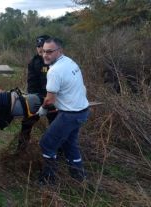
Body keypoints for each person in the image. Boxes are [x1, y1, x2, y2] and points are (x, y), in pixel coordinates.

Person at [36, 37, 90, 184]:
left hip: (70, 114)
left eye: (50, 52)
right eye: (43, 51)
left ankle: (48, 179)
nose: (45, 55)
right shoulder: (69, 62)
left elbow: (50, 100)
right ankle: (79, 177)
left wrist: (43, 109)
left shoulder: (54, 71)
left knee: (46, 144)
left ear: (59, 51)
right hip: (82, 110)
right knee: (69, 144)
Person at [19, 35, 58, 150]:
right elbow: (31, 83)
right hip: (37, 98)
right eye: (38, 46)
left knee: (56, 125)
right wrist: (34, 100)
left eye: (42, 46)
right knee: (26, 123)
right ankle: (21, 149)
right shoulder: (33, 62)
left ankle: (57, 150)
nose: (40, 49)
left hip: (54, 99)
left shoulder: (57, 62)